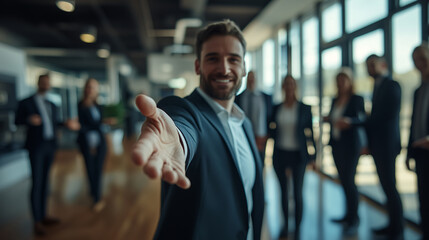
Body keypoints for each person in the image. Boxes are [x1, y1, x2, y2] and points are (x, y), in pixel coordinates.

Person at [131, 20, 264, 240]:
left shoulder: (245, 123)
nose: (224, 68)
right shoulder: (186, 111)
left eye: (233, 59)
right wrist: (177, 141)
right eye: (213, 58)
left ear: (243, 68)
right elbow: (182, 127)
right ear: (198, 66)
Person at [338, 54, 403, 239]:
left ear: (383, 64)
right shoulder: (377, 86)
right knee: (386, 185)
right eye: (368, 66)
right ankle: (392, 224)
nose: (370, 69)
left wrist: (354, 122)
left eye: (373, 65)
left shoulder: (391, 85)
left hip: (387, 145)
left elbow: (383, 116)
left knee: (390, 185)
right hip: (379, 145)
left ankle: (397, 229)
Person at [14, 73, 80, 236]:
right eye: (43, 82)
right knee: (37, 182)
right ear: (38, 83)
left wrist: (65, 124)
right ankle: (37, 221)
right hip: (36, 146)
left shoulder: (52, 104)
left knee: (46, 181)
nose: (46, 85)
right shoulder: (26, 102)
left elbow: (54, 123)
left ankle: (44, 215)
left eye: (48, 82)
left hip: (50, 146)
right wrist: (29, 120)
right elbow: (17, 121)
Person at [269, 75, 316, 240]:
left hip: (298, 155)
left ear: (295, 86)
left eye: (291, 84)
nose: (289, 87)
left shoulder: (304, 108)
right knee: (283, 192)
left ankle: (297, 230)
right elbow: (271, 128)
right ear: (283, 87)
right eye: (286, 84)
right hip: (280, 153)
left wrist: (313, 156)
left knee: (297, 193)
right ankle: (285, 226)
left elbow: (310, 134)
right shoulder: (276, 107)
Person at [324, 68, 366, 235]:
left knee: (349, 181)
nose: (341, 83)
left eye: (344, 80)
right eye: (338, 80)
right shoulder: (335, 100)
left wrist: (350, 122)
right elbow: (334, 118)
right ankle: (347, 215)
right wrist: (329, 119)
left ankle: (354, 219)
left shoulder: (357, 99)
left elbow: (362, 120)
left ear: (350, 82)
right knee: (343, 181)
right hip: (336, 145)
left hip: (351, 147)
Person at [77, 78, 114, 212]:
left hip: (100, 141)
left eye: (93, 87)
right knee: (90, 169)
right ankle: (96, 197)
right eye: (89, 87)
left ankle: (96, 195)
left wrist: (104, 123)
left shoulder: (98, 105)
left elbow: (97, 123)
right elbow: (84, 126)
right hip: (88, 142)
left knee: (98, 170)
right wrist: (102, 123)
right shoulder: (81, 105)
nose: (91, 90)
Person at [406, 43, 429, 240]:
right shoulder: (417, 91)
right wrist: (408, 153)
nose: (420, 64)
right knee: (423, 199)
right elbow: (413, 125)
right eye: (416, 61)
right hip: (421, 154)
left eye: (422, 58)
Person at [235, 70, 273, 165]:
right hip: (243, 136)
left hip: (260, 137)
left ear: (257, 79)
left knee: (260, 163)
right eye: (249, 77)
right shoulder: (238, 98)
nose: (251, 80)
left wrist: (267, 135)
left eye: (253, 77)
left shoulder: (266, 97)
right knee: (245, 163)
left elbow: (270, 117)